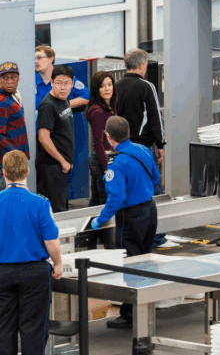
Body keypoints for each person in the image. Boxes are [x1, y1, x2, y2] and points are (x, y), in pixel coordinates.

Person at [0, 151, 64, 355]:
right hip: (33, 272)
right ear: (27, 172)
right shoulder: (40, 203)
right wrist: (58, 264)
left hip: (2, 271)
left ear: (4, 173)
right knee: (33, 325)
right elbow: (51, 242)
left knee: (3, 325)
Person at [90, 117, 160, 329]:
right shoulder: (143, 150)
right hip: (150, 211)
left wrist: (100, 220)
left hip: (131, 218)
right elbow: (156, 179)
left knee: (131, 264)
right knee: (145, 261)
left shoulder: (117, 163)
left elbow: (116, 198)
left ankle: (130, 315)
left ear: (108, 137)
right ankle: (145, 309)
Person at [114, 48, 167, 248]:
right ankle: (156, 237)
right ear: (142, 65)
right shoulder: (146, 86)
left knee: (130, 192)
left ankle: (132, 237)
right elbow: (155, 118)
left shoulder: (116, 86)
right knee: (152, 191)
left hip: (122, 149)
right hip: (144, 148)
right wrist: (160, 144)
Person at [36, 64, 76, 212]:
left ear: (72, 83)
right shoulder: (48, 105)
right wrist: (62, 161)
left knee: (62, 206)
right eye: (58, 83)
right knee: (56, 211)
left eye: (66, 83)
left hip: (62, 166)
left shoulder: (64, 99)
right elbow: (43, 138)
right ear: (52, 82)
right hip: (52, 167)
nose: (63, 87)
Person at [85, 72, 117, 207]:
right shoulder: (97, 112)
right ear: (96, 89)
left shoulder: (109, 106)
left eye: (109, 85)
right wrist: (106, 167)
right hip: (101, 158)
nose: (107, 89)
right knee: (103, 199)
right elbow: (98, 142)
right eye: (102, 86)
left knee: (97, 199)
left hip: (106, 156)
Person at [0, 62, 30, 191]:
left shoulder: (12, 97)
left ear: (18, 78)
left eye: (13, 77)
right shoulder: (2, 101)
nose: (9, 81)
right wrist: (15, 155)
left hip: (12, 163)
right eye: (5, 78)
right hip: (7, 165)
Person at [34, 46, 89, 110]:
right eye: (34, 58)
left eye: (39, 58)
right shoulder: (31, 82)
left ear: (51, 59)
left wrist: (62, 105)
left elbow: (87, 96)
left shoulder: (65, 78)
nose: (35, 61)